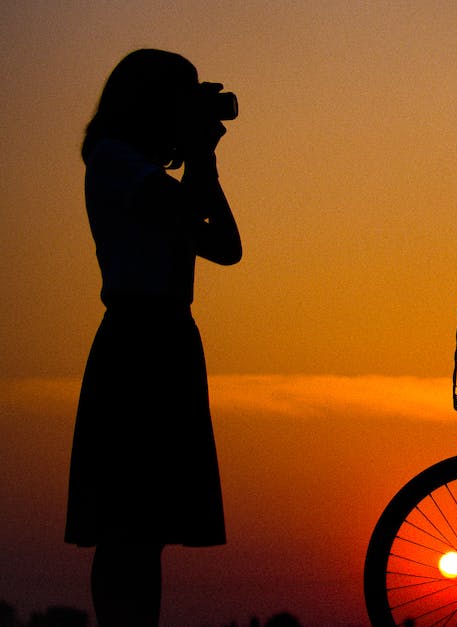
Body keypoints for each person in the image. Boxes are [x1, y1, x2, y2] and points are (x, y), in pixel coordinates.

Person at [65, 48, 242, 627]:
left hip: (167, 339)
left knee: (152, 527)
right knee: (125, 526)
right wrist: (197, 155)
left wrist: (203, 159)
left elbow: (227, 247)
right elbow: (192, 213)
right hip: (137, 341)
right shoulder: (115, 162)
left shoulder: (149, 175)